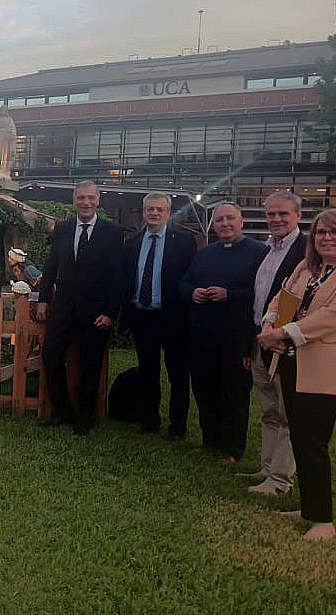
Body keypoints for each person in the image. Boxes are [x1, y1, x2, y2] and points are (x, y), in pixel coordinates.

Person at [259, 209, 336, 541]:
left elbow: (334, 316)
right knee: (300, 437)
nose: (327, 237)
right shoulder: (306, 268)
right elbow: (282, 299)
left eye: (335, 232)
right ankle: (309, 507)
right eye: (321, 232)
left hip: (326, 370)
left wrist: (282, 334)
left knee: (313, 442)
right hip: (293, 364)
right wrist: (269, 323)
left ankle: (324, 521)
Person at [180, 202, 267, 464]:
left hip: (235, 337)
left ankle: (232, 449)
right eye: (219, 220)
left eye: (230, 219)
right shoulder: (205, 253)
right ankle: (210, 441)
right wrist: (192, 293)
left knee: (233, 393)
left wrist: (229, 295)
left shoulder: (257, 252)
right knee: (205, 390)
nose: (225, 224)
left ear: (241, 222)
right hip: (202, 335)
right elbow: (185, 282)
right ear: (213, 225)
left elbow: (262, 294)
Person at [37, 181, 124, 435]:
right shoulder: (63, 229)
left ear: (98, 201)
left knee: (90, 366)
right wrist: (44, 299)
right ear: (74, 201)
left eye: (90, 198)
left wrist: (110, 313)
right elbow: (51, 265)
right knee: (51, 356)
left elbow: (118, 277)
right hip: (64, 308)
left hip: (96, 312)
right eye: (81, 198)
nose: (86, 202)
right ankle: (62, 412)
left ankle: (84, 419)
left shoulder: (112, 232)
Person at [241, 191, 306, 495]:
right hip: (258, 340)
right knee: (268, 410)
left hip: (284, 344)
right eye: (271, 214)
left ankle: (281, 479)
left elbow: (305, 300)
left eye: (283, 214)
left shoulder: (308, 251)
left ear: (298, 216)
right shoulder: (265, 249)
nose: (276, 219)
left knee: (285, 412)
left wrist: (281, 334)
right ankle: (267, 470)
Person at [122, 192, 196, 439]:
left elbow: (190, 279)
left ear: (168, 212)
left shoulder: (184, 242)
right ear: (144, 212)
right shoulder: (132, 243)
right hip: (143, 317)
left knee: (177, 374)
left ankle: (177, 427)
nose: (154, 213)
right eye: (150, 209)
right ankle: (149, 420)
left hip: (173, 317)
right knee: (147, 372)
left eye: (159, 210)